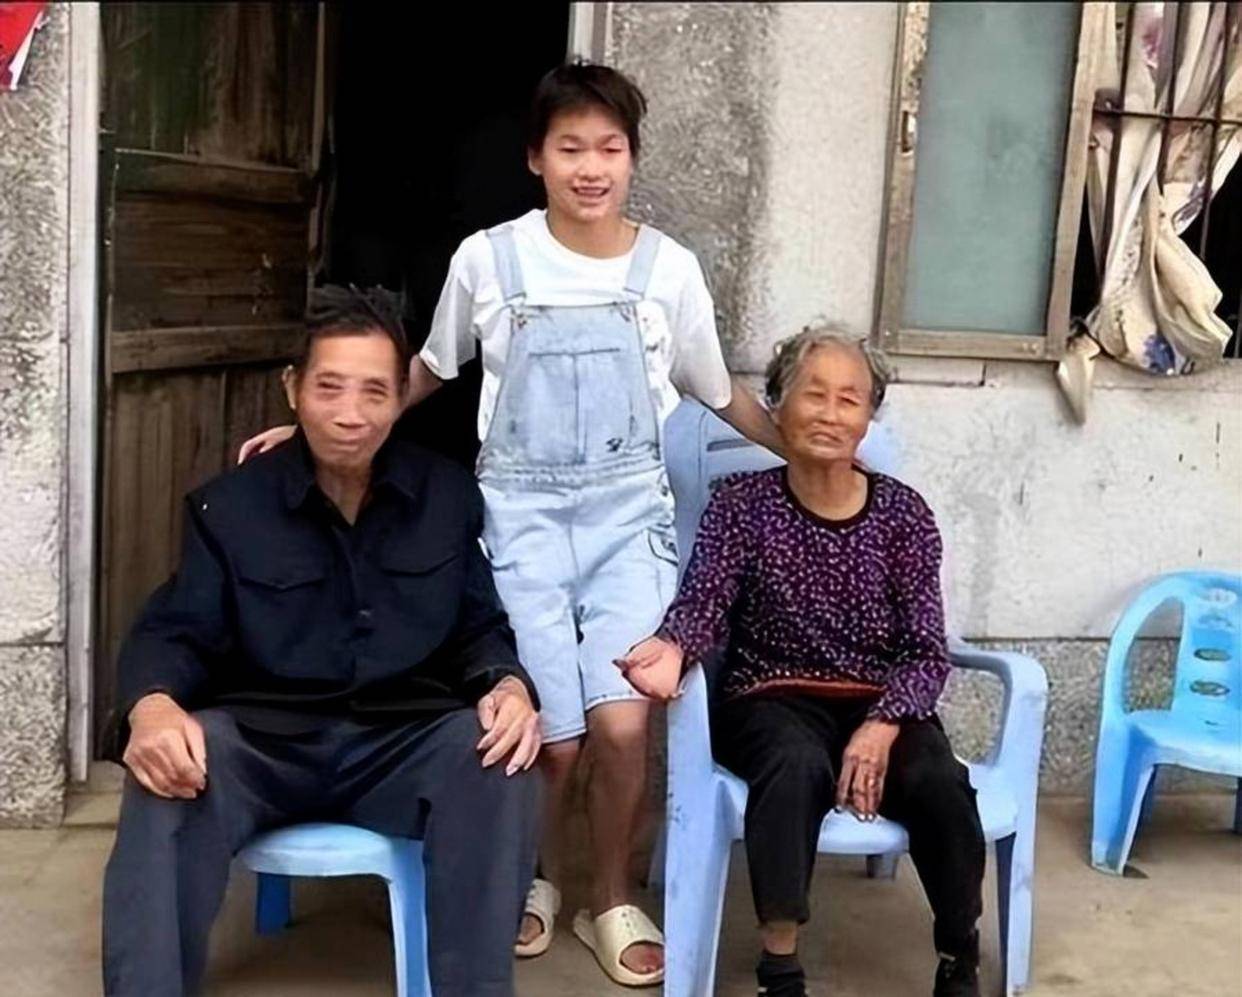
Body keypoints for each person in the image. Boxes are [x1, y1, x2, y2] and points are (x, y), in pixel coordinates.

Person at [239, 62, 781, 986]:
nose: (590, 168)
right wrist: (326, 425)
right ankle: (534, 877)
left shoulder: (669, 269)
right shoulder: (489, 259)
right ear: (536, 158)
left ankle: (610, 895)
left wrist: (803, 450)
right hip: (519, 521)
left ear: (631, 158)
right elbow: (431, 367)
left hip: (627, 524)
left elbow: (718, 389)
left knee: (621, 726)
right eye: (570, 148)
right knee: (551, 738)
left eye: (609, 148)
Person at [102, 287, 542, 997]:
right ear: (292, 388)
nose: (350, 413)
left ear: (401, 398)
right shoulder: (230, 506)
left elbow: (478, 626)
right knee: (165, 767)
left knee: (499, 758)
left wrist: (508, 684)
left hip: (400, 741)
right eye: (329, 387)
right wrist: (151, 707)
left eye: (374, 391)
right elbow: (175, 629)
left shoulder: (447, 496)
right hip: (263, 744)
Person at [618, 326, 986, 997]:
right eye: (813, 394)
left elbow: (926, 649)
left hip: (879, 701)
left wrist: (882, 724)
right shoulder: (742, 506)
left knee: (938, 778)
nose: (830, 414)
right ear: (777, 406)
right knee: (793, 765)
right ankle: (780, 969)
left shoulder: (904, 515)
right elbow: (704, 601)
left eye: (849, 399)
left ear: (868, 418)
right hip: (770, 696)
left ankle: (959, 952)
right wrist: (672, 647)